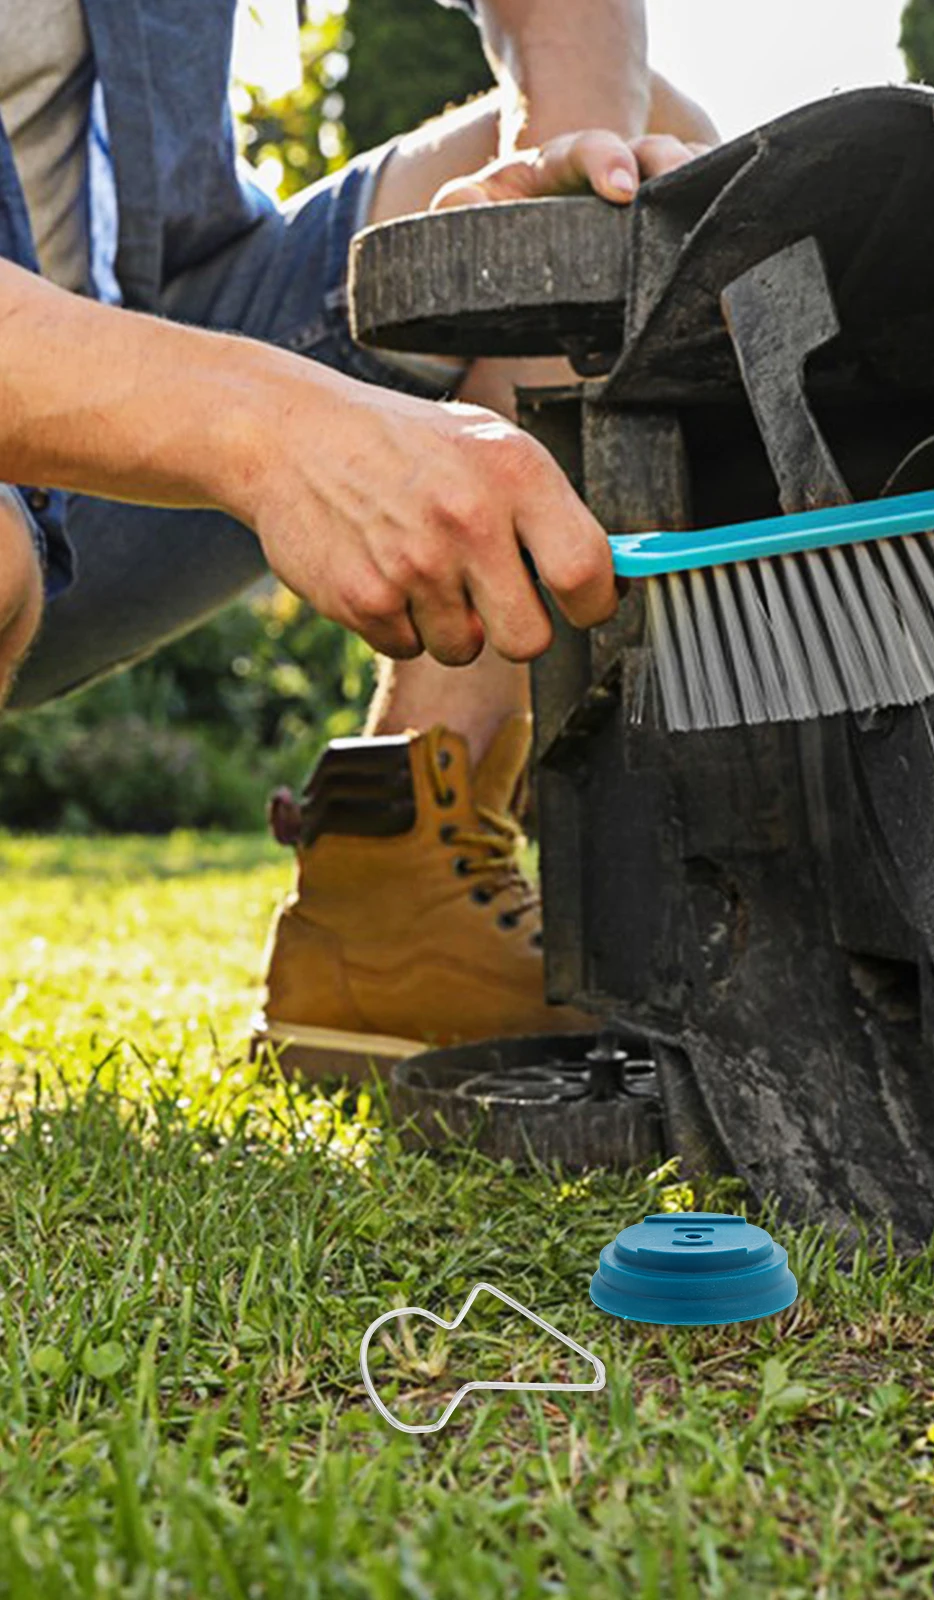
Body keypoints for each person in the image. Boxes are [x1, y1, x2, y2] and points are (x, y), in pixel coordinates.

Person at [0, 1, 716, 1079]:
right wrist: (267, 429)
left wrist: (552, 202)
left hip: (173, 325)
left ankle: (396, 886)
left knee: (621, 157)